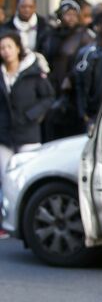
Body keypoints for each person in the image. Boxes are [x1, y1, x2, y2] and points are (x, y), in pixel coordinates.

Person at [0, 30, 54, 188]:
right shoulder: (2, 74)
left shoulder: (33, 72)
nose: (6, 51)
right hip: (4, 135)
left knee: (28, 175)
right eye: (2, 48)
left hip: (28, 132)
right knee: (6, 177)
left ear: (18, 48)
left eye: (9, 47)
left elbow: (48, 96)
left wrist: (32, 115)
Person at [40, 0, 93, 139]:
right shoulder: (51, 34)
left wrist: (71, 76)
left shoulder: (84, 35)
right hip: (51, 85)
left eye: (74, 15)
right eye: (67, 14)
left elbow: (87, 60)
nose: (71, 18)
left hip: (72, 90)